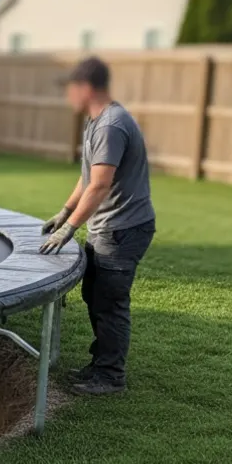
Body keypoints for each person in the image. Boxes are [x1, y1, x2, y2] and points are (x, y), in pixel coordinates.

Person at [39, 56, 156, 396]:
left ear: (86, 88)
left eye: (70, 89)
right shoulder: (97, 121)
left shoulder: (110, 126)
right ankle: (100, 365)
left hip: (122, 229)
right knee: (95, 294)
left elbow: (101, 185)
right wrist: (65, 210)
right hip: (110, 226)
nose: (67, 97)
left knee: (109, 302)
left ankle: (110, 377)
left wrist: (70, 227)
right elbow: (88, 176)